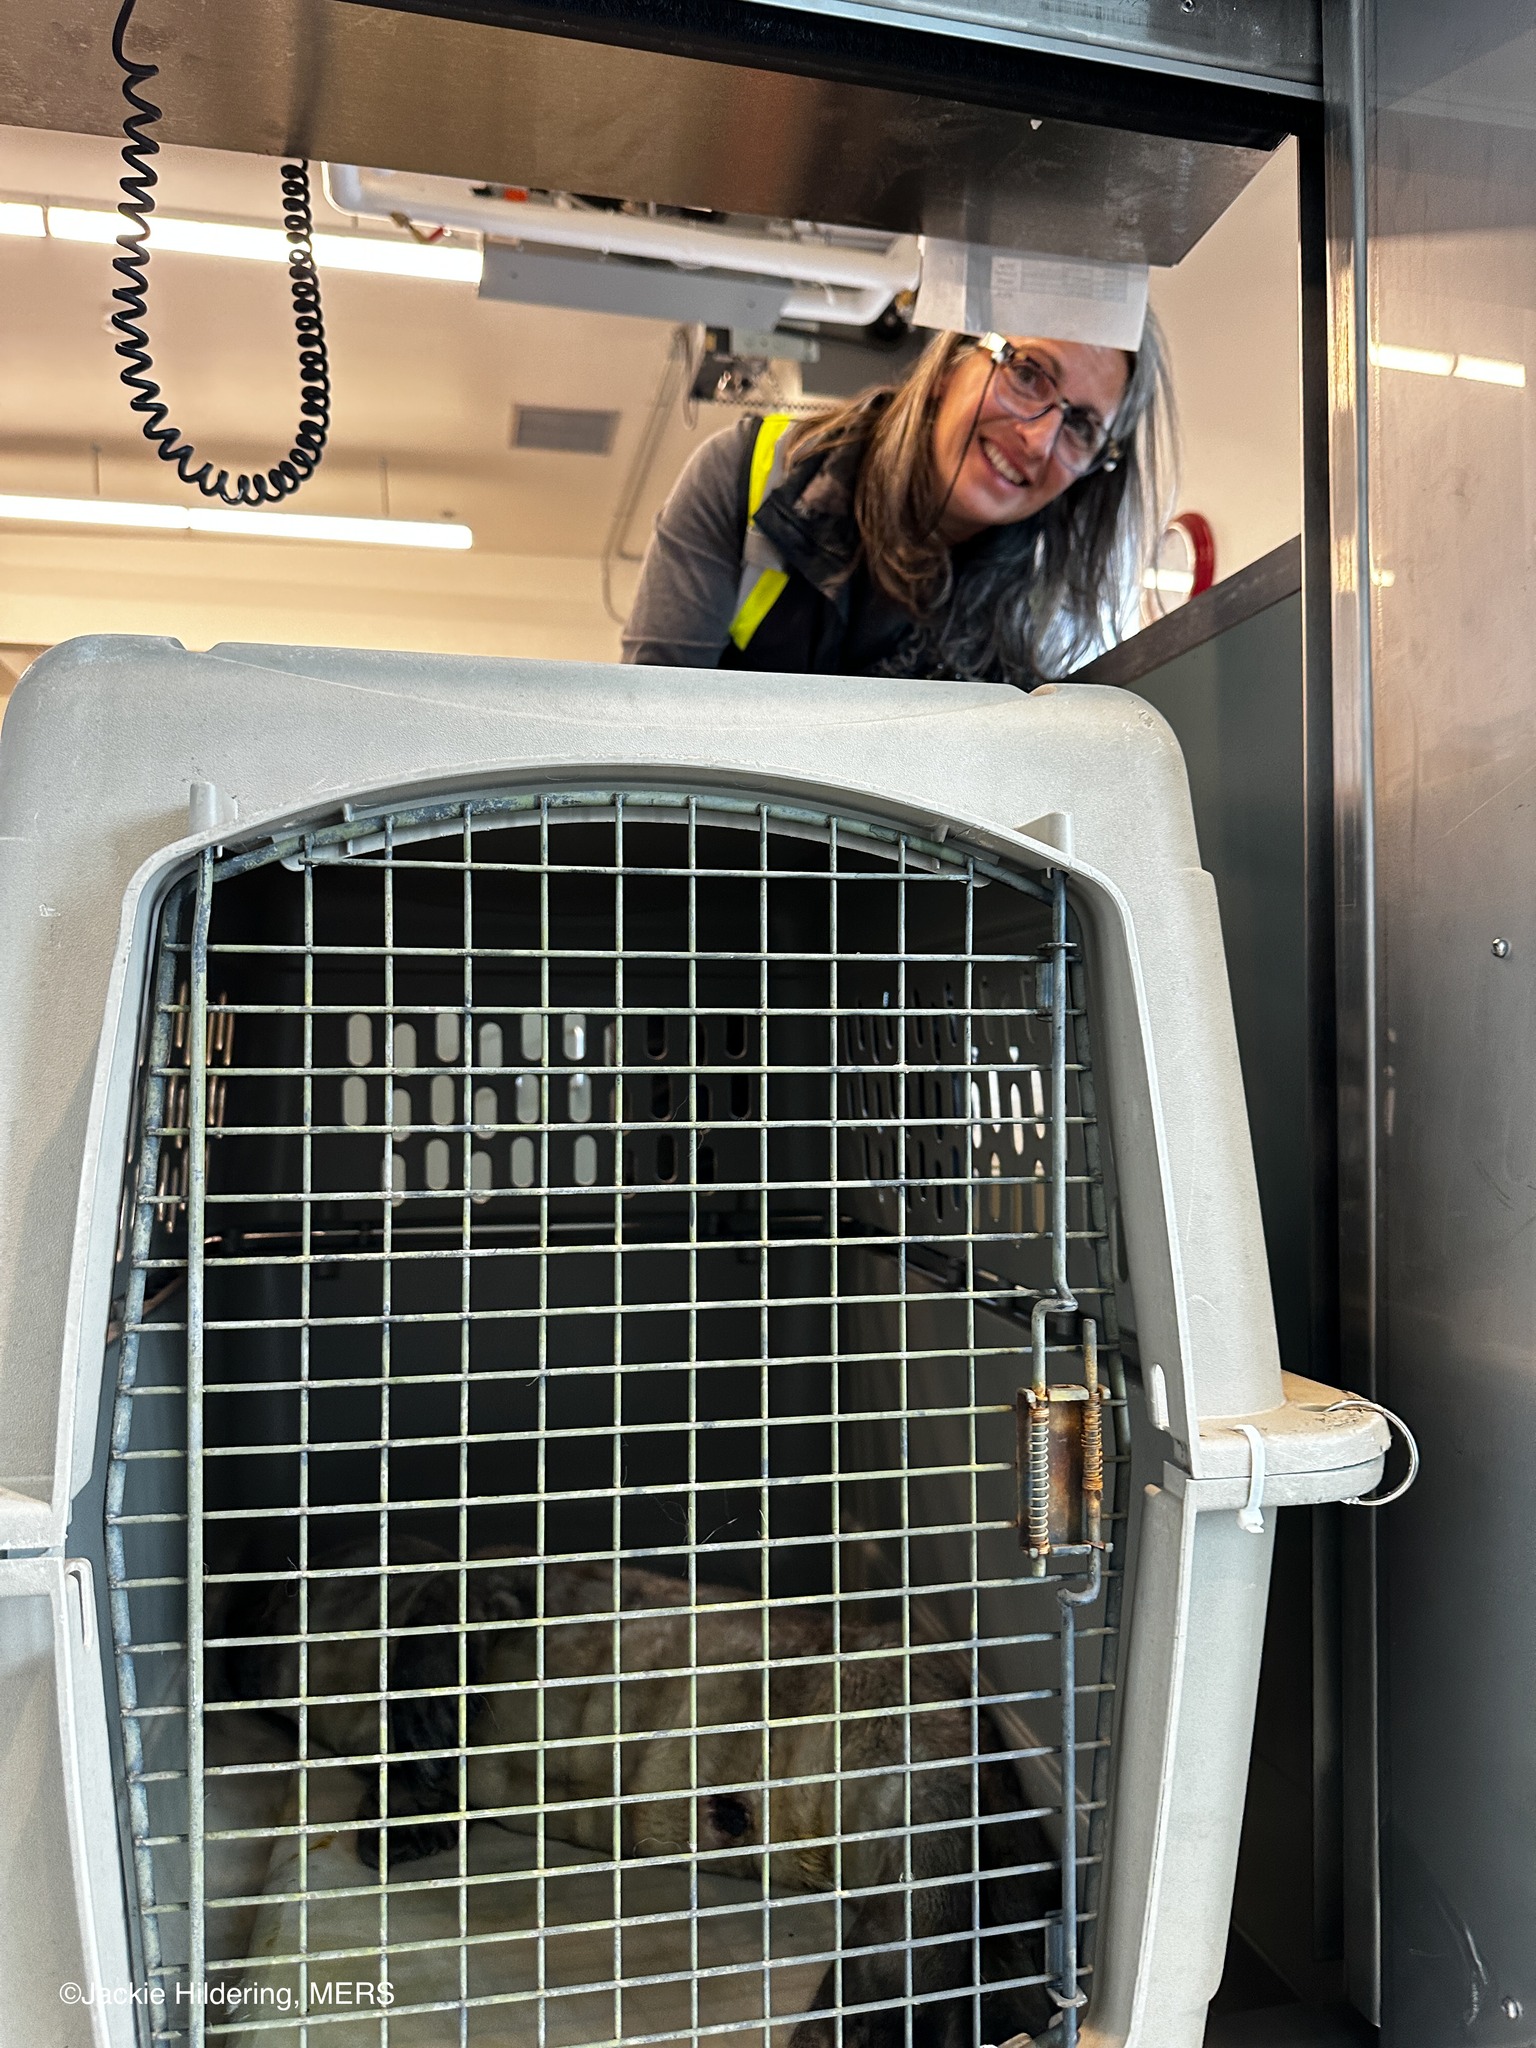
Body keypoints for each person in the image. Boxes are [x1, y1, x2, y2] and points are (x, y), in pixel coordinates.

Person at [621, 321, 1174, 689]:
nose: (1039, 439)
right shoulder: (752, 475)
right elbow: (651, 731)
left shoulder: (1049, 627)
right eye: (1027, 375)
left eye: (1081, 426)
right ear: (950, 364)